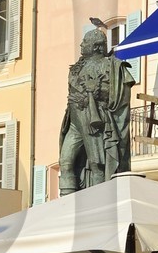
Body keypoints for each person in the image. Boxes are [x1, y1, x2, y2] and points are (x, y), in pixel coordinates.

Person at [57, 26, 136, 195]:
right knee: (65, 161)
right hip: (74, 120)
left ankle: (99, 200)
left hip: (94, 119)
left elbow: (121, 96)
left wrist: (96, 93)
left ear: (96, 46)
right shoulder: (76, 68)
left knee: (96, 164)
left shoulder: (114, 66)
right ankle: (66, 204)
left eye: (85, 42)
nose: (81, 45)